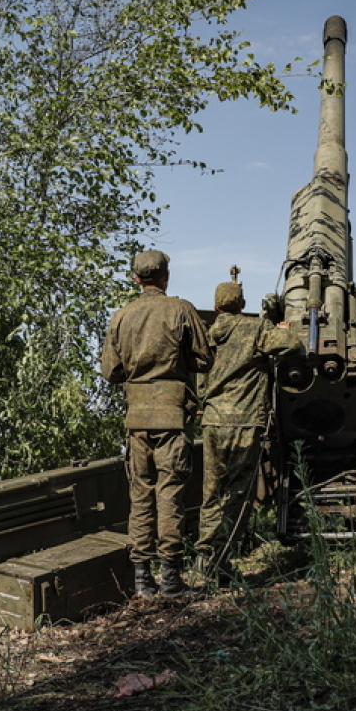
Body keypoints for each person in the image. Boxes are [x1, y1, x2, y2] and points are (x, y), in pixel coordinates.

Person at [100, 250, 212, 599]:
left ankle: (143, 582)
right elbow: (204, 359)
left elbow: (110, 372)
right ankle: (173, 581)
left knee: (141, 496)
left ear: (136, 279)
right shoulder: (181, 310)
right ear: (166, 276)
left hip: (137, 419)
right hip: (172, 416)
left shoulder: (121, 316)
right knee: (169, 495)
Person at [197, 278, 301, 582]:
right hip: (243, 423)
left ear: (216, 307)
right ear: (242, 305)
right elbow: (292, 345)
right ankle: (222, 563)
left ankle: (204, 556)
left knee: (211, 492)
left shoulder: (209, 334)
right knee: (237, 493)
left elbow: (200, 375)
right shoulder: (255, 329)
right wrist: (282, 331)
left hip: (213, 422)